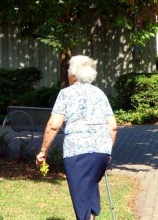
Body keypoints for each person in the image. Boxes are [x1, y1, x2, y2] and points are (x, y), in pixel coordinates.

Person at [36, 55, 118, 220]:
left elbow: (53, 125)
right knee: (89, 191)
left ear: (73, 74)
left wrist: (43, 151)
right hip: (101, 151)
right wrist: (107, 151)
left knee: (81, 200)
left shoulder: (66, 94)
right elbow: (113, 126)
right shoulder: (99, 93)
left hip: (77, 153)